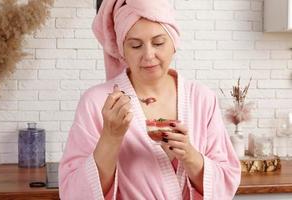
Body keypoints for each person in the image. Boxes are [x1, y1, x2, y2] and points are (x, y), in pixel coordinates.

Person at [58, 0, 241, 199]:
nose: (148, 55)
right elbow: (73, 192)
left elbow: (227, 181)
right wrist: (110, 138)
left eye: (158, 43)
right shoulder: (97, 102)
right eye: (135, 45)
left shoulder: (202, 98)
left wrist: (188, 154)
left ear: (174, 42)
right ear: (122, 51)